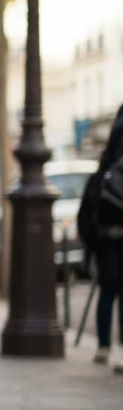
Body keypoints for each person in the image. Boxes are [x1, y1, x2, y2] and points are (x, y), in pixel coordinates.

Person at [79, 103, 123, 365]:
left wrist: (92, 245)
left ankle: (104, 346)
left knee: (107, 291)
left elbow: (87, 212)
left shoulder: (104, 171)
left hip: (107, 239)